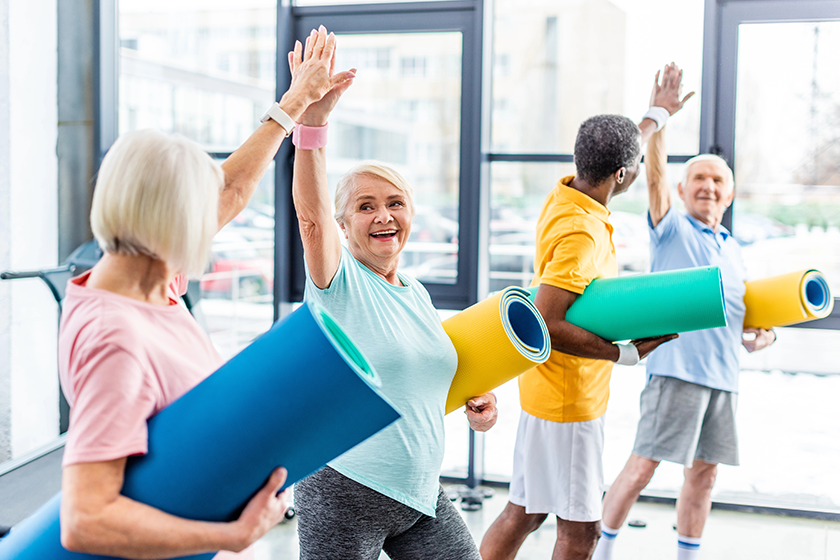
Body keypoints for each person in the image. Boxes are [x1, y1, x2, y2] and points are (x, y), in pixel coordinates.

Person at [57, 27, 342, 560]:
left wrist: (296, 104)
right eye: (196, 207)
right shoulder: (116, 338)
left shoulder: (148, 275)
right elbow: (85, 519)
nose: (212, 217)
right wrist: (232, 538)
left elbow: (233, 187)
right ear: (170, 221)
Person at [288, 29, 498, 560]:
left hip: (419, 492)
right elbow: (311, 219)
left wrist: (475, 405)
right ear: (343, 224)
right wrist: (313, 125)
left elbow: (414, 382)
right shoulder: (337, 279)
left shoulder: (416, 293)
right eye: (365, 206)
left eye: (394, 203)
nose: (383, 215)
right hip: (344, 485)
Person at [480, 65, 693, 560]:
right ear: (621, 175)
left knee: (525, 511)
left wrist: (657, 114)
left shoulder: (566, 193)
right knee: (581, 533)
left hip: (545, 388)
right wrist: (624, 354)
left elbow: (623, 144)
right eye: (634, 165)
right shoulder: (583, 231)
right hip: (569, 402)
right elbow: (547, 321)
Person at [592, 65, 776, 560]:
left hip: (724, 376)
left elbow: (745, 314)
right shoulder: (671, 229)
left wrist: (765, 336)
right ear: (682, 189)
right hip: (677, 373)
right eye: (698, 178)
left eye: (717, 180)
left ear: (729, 194)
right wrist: (661, 118)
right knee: (643, 466)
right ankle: (600, 552)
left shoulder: (732, 247)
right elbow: (654, 175)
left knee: (704, 474)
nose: (708, 186)